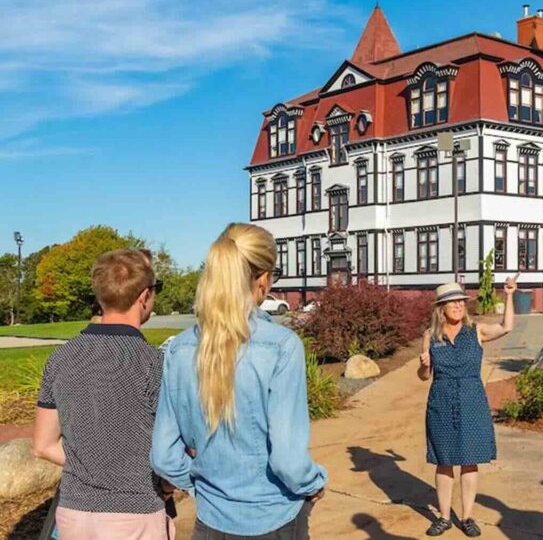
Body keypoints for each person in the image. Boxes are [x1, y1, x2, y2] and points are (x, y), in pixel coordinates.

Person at [150, 223, 326, 539]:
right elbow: (288, 460)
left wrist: (199, 485)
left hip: (211, 520)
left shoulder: (179, 348)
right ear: (262, 279)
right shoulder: (281, 347)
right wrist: (313, 483)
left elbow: (163, 454)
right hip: (274, 516)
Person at [33, 249, 173, 539]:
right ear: (145, 296)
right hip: (137, 511)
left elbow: (43, 445)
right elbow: (170, 452)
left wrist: (93, 465)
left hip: (74, 514)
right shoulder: (154, 364)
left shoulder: (60, 359)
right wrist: (168, 485)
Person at [418, 277, 518, 537]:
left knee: (470, 460)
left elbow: (507, 326)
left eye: (461, 302)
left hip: (472, 399)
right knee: (444, 461)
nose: (458, 306)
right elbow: (423, 376)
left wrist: (508, 295)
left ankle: (468, 516)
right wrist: (425, 364)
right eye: (452, 302)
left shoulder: (477, 331)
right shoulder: (430, 336)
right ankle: (443, 516)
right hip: (440, 400)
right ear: (441, 307)